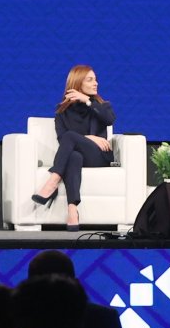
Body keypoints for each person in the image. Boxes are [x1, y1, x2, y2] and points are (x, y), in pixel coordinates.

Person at [31, 64, 115, 231]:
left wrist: (87, 101)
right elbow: (63, 139)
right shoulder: (62, 111)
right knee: (74, 156)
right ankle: (72, 210)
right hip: (77, 155)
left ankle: (53, 181)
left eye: (95, 79)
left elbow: (109, 119)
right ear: (77, 83)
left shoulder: (101, 105)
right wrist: (88, 138)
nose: (95, 83)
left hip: (99, 156)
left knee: (71, 137)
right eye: (90, 80)